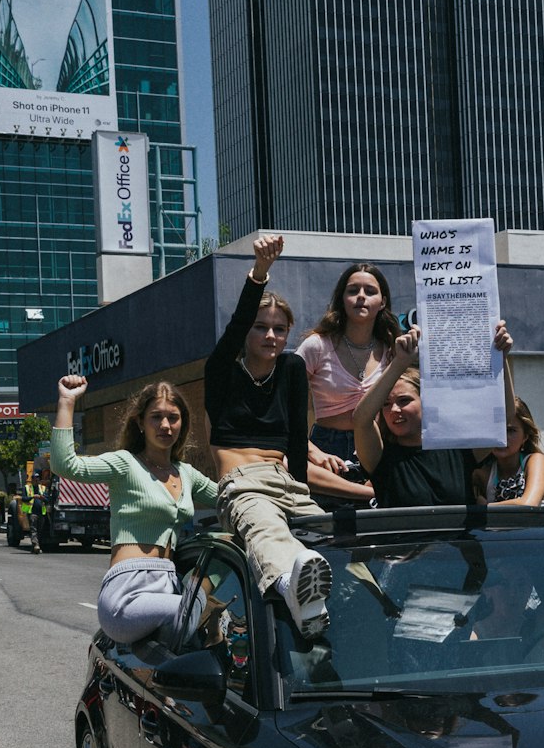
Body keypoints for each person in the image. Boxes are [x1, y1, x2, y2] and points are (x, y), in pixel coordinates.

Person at [205, 235, 334, 636]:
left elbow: (297, 437)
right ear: (247, 332)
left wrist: (303, 490)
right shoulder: (221, 370)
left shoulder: (293, 369)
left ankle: (358, 610)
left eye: (280, 328)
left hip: (290, 484)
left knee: (337, 549)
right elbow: (236, 324)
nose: (271, 336)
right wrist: (260, 270)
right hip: (243, 485)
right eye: (261, 327)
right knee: (266, 532)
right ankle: (288, 587)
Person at [50, 376, 219, 643]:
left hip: (168, 587)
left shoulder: (187, 474)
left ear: (182, 423)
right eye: (156, 417)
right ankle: (207, 605)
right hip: (128, 592)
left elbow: (230, 498)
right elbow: (65, 465)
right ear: (140, 422)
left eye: (173, 418)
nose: (165, 425)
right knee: (195, 609)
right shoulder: (126, 464)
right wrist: (67, 402)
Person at [353, 323, 515, 508]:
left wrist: (500, 358)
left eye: (404, 401)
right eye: (386, 405)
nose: (395, 410)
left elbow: (503, 418)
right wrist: (399, 363)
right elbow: (361, 419)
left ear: (427, 402)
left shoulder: (458, 449)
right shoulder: (381, 456)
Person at [295, 263, 401, 476]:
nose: (361, 296)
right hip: (327, 450)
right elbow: (283, 403)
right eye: (353, 291)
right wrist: (310, 450)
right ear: (342, 299)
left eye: (370, 291)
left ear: (383, 302)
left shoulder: (393, 350)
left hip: (380, 447)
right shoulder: (317, 346)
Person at [473, 396, 544, 510]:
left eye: (510, 431)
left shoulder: (536, 461)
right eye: (496, 430)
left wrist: (486, 507)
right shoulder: (483, 474)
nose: (503, 438)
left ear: (525, 436)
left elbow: (529, 504)